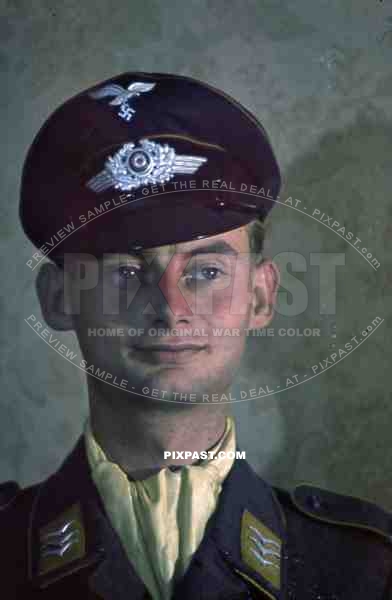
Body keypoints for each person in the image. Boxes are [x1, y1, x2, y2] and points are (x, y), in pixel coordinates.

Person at [1, 72, 391, 600]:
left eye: (205, 271)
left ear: (259, 296)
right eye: (124, 272)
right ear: (58, 298)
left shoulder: (365, 569)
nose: (170, 310)